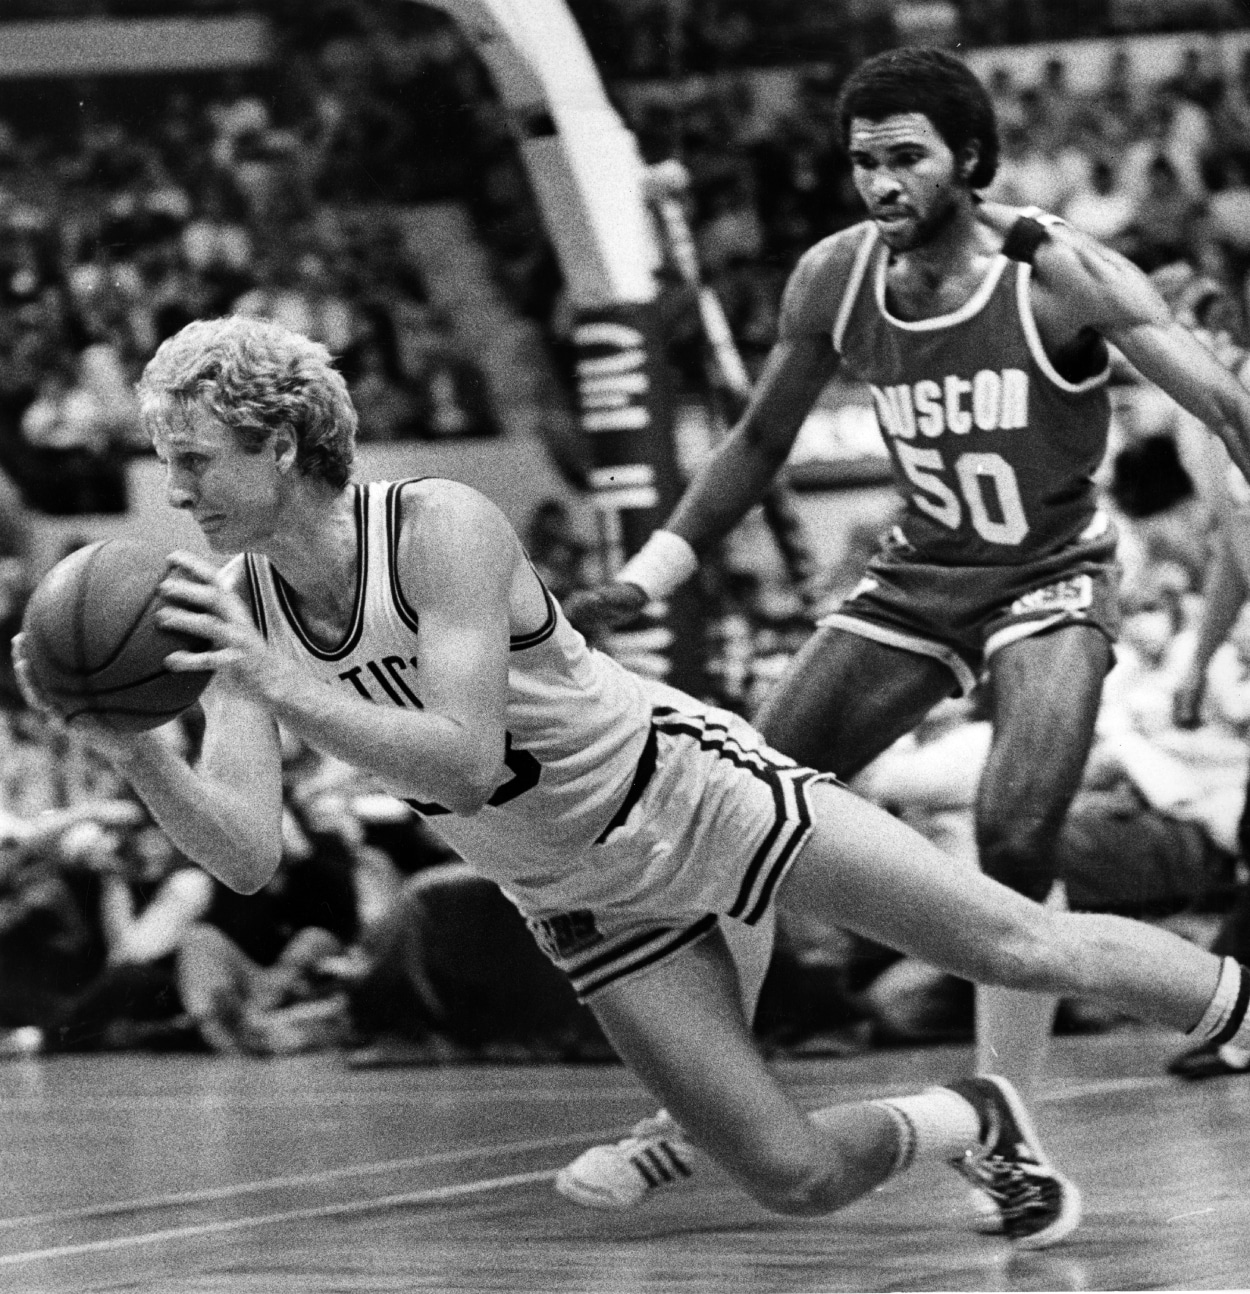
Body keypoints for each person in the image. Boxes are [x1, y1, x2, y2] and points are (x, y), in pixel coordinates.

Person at [17, 316, 1250, 1255]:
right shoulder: (240, 617)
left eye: (192, 461)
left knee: (1013, 941)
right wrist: (134, 747)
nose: (173, 494)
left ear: (281, 445)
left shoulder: (438, 524)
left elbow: (458, 752)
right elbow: (245, 854)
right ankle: (978, 1115)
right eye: (164, 465)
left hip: (685, 795)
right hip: (576, 895)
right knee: (792, 1178)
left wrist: (275, 688)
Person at [559, 45, 1250, 1205]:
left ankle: (1005, 1124)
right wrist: (654, 569)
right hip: (914, 582)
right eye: (860, 160)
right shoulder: (832, 277)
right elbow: (755, 445)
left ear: (968, 160)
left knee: (1018, 833)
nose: (878, 182)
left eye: (904, 158)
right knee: (737, 813)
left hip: (1047, 577)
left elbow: (1223, 401)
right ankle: (686, 1107)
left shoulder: (1055, 276)